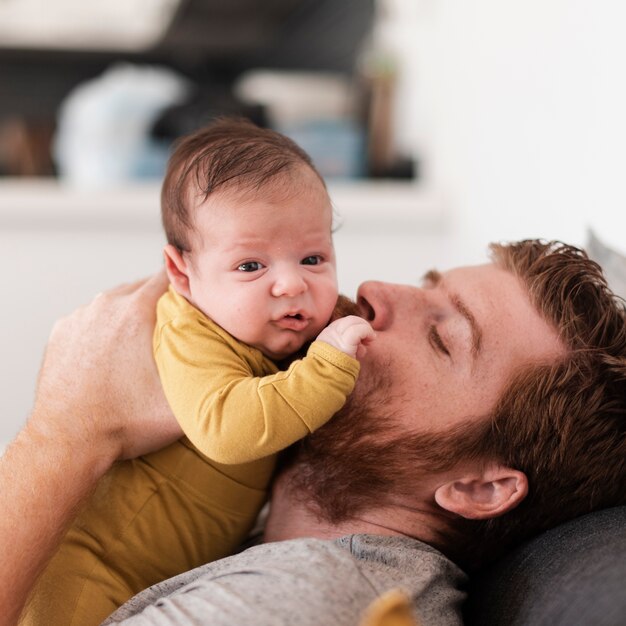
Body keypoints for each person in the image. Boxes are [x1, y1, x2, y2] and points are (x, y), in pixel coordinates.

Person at [4, 239, 625, 625]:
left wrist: (67, 432)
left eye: (441, 335)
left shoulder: (306, 605)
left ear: (478, 488)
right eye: (426, 282)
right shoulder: (245, 524)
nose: (375, 291)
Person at [21, 119, 375, 625]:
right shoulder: (190, 330)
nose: (291, 284)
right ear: (183, 273)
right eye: (251, 266)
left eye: (313, 257)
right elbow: (228, 430)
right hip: (88, 570)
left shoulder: (260, 326)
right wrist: (328, 367)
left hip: (157, 578)